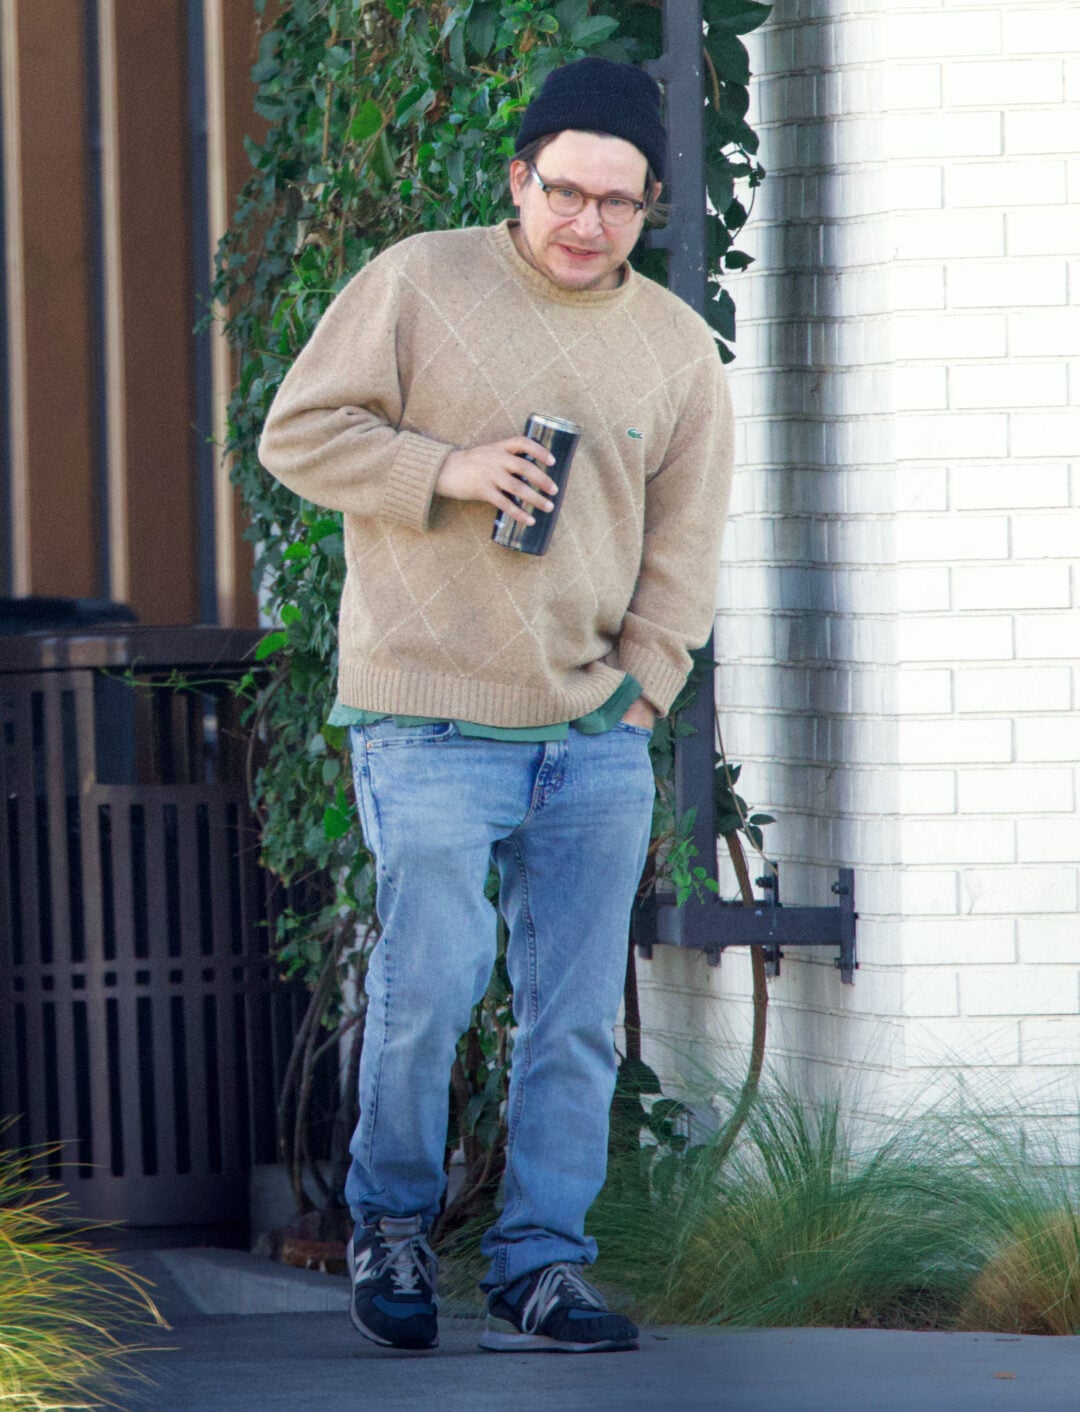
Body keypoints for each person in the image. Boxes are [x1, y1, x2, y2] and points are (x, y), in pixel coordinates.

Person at [259, 55, 734, 1355]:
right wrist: (445, 465)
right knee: (431, 986)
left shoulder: (675, 348)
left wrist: (645, 693)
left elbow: (686, 545)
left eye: (618, 203)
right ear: (518, 178)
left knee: (574, 1018)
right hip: (426, 723)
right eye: (565, 191)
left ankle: (539, 1264)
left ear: (651, 205)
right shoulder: (420, 281)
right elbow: (295, 432)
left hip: (590, 738)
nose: (587, 224)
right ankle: (395, 1228)